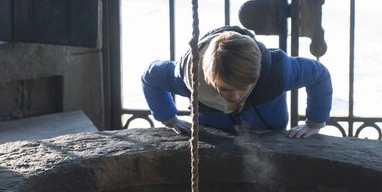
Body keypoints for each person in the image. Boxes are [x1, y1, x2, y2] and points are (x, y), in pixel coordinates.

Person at [141, 25, 332, 138]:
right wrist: (169, 118)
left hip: (271, 136)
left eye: (243, 88)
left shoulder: (276, 71)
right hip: (214, 139)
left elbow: (319, 75)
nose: (234, 97)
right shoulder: (190, 76)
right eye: (223, 89)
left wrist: (314, 123)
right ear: (208, 78)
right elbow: (151, 78)